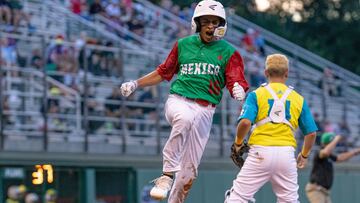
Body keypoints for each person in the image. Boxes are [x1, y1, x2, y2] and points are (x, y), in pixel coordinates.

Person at [120, 0, 249, 202]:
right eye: (205, 21)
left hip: (206, 111)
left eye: (215, 22)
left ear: (222, 25)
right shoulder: (183, 45)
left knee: (188, 174)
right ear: (196, 23)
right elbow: (163, 72)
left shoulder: (229, 52)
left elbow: (235, 80)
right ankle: (166, 175)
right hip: (179, 100)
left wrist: (238, 89)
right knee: (185, 119)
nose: (210, 26)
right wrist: (136, 83)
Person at [225, 54, 318, 203]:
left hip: (260, 152)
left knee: (237, 197)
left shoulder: (256, 95)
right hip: (286, 154)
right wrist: (304, 155)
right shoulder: (298, 98)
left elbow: (244, 123)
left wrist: (238, 143)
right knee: (289, 200)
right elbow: (311, 133)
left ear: (266, 73)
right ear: (287, 74)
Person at [306, 132, 360, 203]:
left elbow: (340, 158)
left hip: (324, 192)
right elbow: (325, 152)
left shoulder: (329, 155)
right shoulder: (319, 152)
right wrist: (336, 139)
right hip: (316, 190)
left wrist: (355, 152)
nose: (334, 146)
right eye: (332, 143)